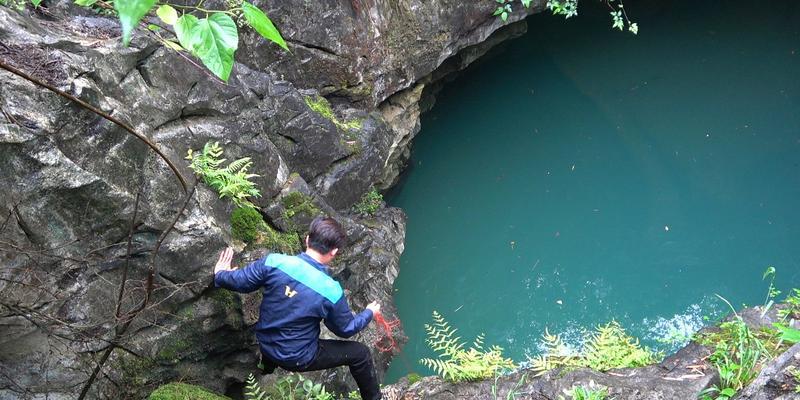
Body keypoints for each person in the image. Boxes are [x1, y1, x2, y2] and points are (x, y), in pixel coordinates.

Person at [213, 217, 382, 400]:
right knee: (360, 354)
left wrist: (221, 274)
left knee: (280, 317)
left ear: (307, 239)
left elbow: (239, 282)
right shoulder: (330, 290)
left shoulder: (273, 262)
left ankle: (267, 366)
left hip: (265, 343)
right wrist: (369, 313)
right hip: (297, 358)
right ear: (334, 251)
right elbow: (345, 329)